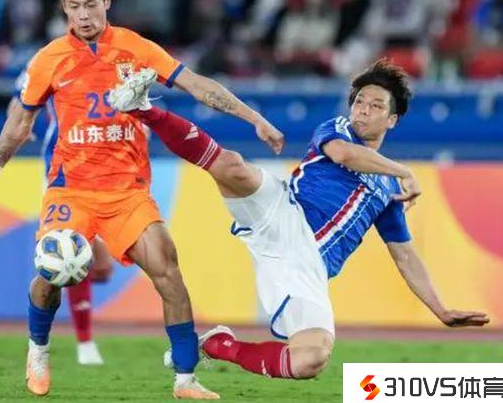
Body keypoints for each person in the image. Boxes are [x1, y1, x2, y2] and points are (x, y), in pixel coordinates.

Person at [0, 0, 283, 399]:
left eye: (91, 5)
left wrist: (255, 119)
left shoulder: (136, 48)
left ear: (107, 2)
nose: (84, 15)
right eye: (74, 6)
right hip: (71, 190)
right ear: (64, 8)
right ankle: (38, 349)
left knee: (168, 270)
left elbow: (197, 85)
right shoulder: (48, 60)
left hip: (127, 193)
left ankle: (185, 379)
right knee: (51, 273)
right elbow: (20, 122)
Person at [107, 59, 490, 381]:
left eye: (375, 106)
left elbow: (405, 256)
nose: (362, 109)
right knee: (232, 166)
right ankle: (144, 109)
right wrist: (403, 170)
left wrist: (441, 310)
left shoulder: (389, 191)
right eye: (359, 101)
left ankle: (219, 345)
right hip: (285, 213)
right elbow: (343, 156)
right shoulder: (337, 130)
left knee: (310, 359)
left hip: (308, 267)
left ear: (392, 120)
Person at [7, 73, 115, 367]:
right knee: (72, 250)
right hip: (64, 171)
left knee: (102, 268)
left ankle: (79, 336)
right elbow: (19, 101)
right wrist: (20, 125)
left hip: (110, 168)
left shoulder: (116, 59)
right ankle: (83, 341)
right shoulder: (47, 62)